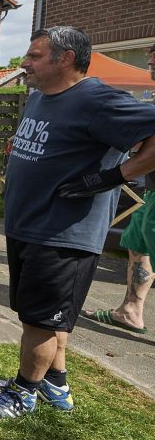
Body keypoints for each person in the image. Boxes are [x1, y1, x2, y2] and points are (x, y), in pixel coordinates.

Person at [0, 27, 155, 421]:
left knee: (40, 321)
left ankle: (24, 393)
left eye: (35, 56)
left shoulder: (98, 100)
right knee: (42, 315)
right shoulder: (40, 98)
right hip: (28, 226)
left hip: (65, 234)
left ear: (66, 59)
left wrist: (113, 176)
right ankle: (55, 381)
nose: (24, 63)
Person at [81, 43, 155, 335]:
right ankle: (131, 311)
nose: (150, 61)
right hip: (151, 192)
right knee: (138, 245)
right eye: (151, 57)